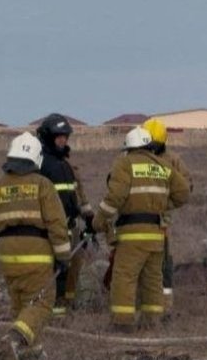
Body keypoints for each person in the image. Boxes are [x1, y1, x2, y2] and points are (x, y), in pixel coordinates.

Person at [0, 132, 71, 360]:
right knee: (42, 303)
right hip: (36, 252)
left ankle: (29, 356)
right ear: (36, 159)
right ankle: (14, 339)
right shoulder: (42, 185)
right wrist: (63, 256)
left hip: (6, 255)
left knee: (20, 305)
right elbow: (57, 224)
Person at [93, 127, 190, 332]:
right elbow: (183, 193)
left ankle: (122, 323)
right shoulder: (163, 165)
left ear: (128, 147)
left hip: (132, 234)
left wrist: (99, 220)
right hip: (157, 235)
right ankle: (152, 323)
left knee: (124, 277)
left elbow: (115, 197)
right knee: (153, 280)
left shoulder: (125, 163)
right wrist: (161, 205)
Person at [34, 114, 94, 316]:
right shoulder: (40, 165)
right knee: (55, 272)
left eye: (65, 137)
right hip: (50, 230)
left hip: (71, 227)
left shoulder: (66, 165)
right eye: (58, 136)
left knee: (71, 270)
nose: (63, 140)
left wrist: (89, 218)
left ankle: (67, 308)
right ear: (48, 137)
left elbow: (78, 194)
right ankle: (54, 313)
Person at [143, 118, 193, 314]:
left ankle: (165, 306)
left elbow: (186, 187)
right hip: (136, 219)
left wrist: (166, 203)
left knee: (162, 263)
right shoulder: (133, 158)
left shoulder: (172, 160)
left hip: (160, 222)